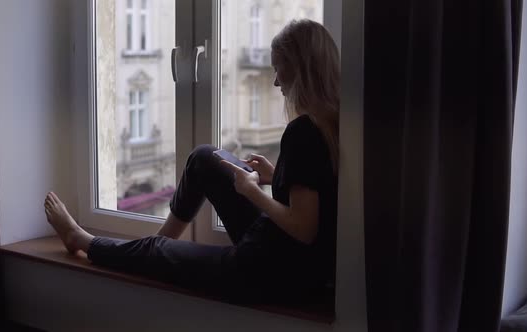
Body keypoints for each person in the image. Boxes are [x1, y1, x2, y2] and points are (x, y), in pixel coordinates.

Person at [44, 19, 339, 304]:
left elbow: (304, 228)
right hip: (286, 258)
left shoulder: (303, 131)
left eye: (279, 68)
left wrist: (250, 191)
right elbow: (315, 198)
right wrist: (276, 177)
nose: (275, 81)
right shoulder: (331, 121)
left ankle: (80, 239)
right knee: (204, 158)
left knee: (154, 250)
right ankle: (157, 248)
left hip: (268, 273)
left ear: (300, 68)